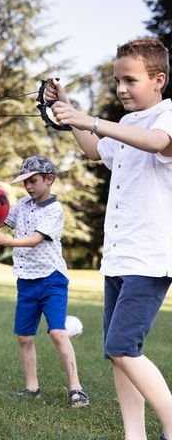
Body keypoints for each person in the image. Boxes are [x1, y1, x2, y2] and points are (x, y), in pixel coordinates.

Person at [46, 37, 172, 440]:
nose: (120, 88)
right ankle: (133, 435)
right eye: (117, 80)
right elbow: (94, 152)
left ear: (159, 80)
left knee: (122, 347)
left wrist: (91, 120)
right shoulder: (127, 124)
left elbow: (159, 144)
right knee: (119, 356)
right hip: (118, 257)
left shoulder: (165, 116)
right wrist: (67, 113)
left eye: (130, 80)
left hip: (150, 257)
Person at [0, 155, 89, 408]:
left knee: (58, 332)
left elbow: (35, 239)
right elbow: (3, 221)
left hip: (52, 279)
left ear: (49, 180)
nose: (28, 186)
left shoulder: (54, 210)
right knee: (25, 337)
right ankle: (32, 387)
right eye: (24, 182)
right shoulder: (23, 204)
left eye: (33, 181)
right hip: (26, 279)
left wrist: (3, 242)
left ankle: (76, 388)